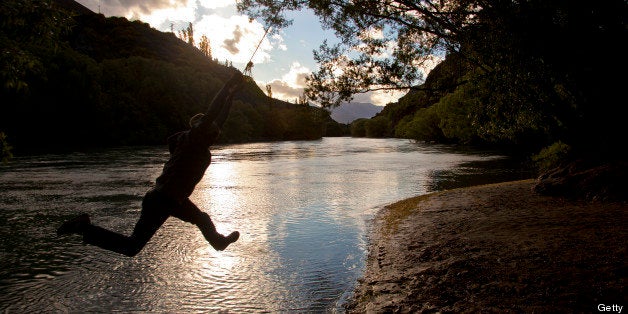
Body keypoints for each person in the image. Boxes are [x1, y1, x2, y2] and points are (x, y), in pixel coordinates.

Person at [57, 72, 244, 257]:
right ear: (200, 128)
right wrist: (227, 86)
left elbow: (219, 119)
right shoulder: (193, 140)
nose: (217, 132)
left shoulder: (194, 143)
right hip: (162, 200)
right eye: (212, 129)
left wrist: (231, 96)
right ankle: (84, 227)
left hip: (172, 199)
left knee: (201, 218)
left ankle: (219, 242)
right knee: (132, 247)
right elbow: (214, 113)